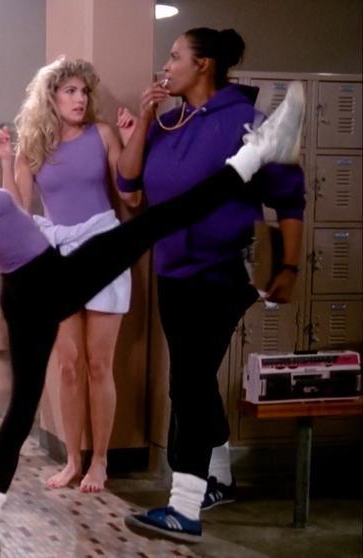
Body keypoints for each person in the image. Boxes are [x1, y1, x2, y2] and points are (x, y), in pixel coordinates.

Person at [0, 79, 304, 555]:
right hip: (50, 283)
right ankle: (255, 155)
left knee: (20, 415)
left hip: (26, 293)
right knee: (157, 221)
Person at [118, 28, 305, 544]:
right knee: (193, 377)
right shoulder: (170, 122)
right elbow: (129, 186)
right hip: (173, 271)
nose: (166, 66)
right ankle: (218, 477)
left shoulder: (245, 121)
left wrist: (289, 268)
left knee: (190, 380)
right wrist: (146, 120)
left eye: (175, 56)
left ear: (203, 65)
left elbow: (290, 200)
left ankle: (184, 507)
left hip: (223, 272)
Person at [0, 57, 139, 493]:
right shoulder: (33, 146)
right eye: (70, 91)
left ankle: (100, 461)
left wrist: (130, 142)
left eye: (84, 92)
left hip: (104, 246)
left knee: (98, 364)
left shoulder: (103, 134)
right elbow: (17, 210)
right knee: (68, 365)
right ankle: (73, 459)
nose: (80, 99)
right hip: (57, 254)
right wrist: (5, 159)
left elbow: (132, 199)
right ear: (51, 97)